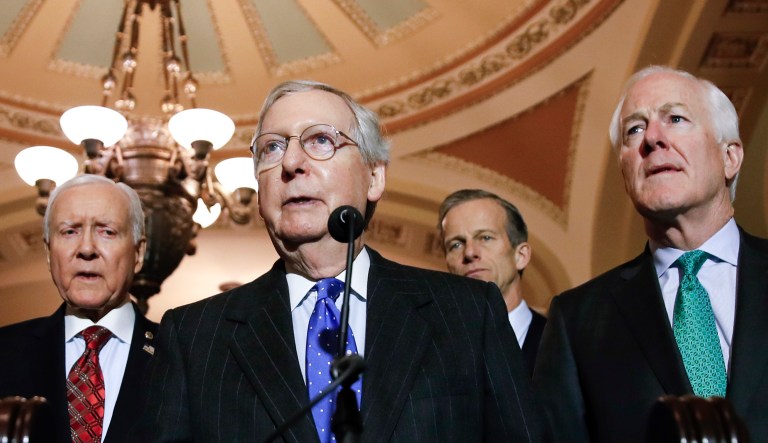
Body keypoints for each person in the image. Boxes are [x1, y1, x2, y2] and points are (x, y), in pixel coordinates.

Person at [134, 80, 545, 442]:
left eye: (320, 140)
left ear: (374, 177)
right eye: (272, 148)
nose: (292, 163)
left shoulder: (469, 313)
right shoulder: (192, 337)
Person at [533, 65, 768, 442]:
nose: (653, 139)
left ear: (730, 158)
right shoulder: (577, 321)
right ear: (625, 172)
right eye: (635, 129)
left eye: (675, 118)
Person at [0, 174, 158, 442]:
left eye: (107, 231)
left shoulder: (181, 357)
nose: (86, 248)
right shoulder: (4, 351)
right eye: (70, 231)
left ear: (139, 253)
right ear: (50, 254)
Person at [438, 189, 545, 374]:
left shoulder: (559, 342)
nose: (470, 252)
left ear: (521, 256)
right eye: (456, 244)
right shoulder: (430, 344)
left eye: (485, 237)